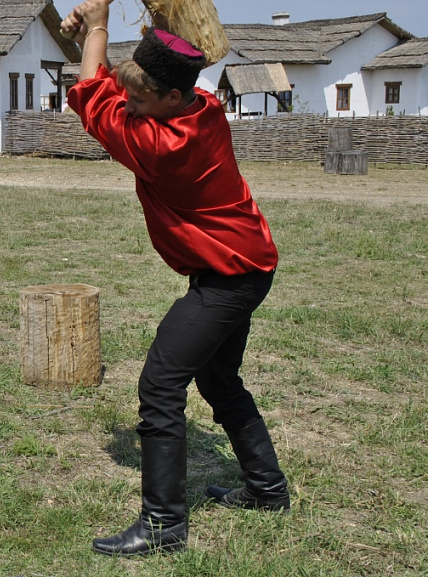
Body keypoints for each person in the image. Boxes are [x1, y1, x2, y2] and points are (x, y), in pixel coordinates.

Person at [60, 0, 290, 557]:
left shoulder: (162, 146)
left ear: (169, 98)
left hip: (228, 277)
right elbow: (108, 85)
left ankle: (163, 524)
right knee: (217, 382)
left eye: (140, 99)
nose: (131, 107)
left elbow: (93, 98)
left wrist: (95, 26)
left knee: (160, 384)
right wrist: (88, 38)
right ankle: (267, 489)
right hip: (242, 266)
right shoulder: (201, 107)